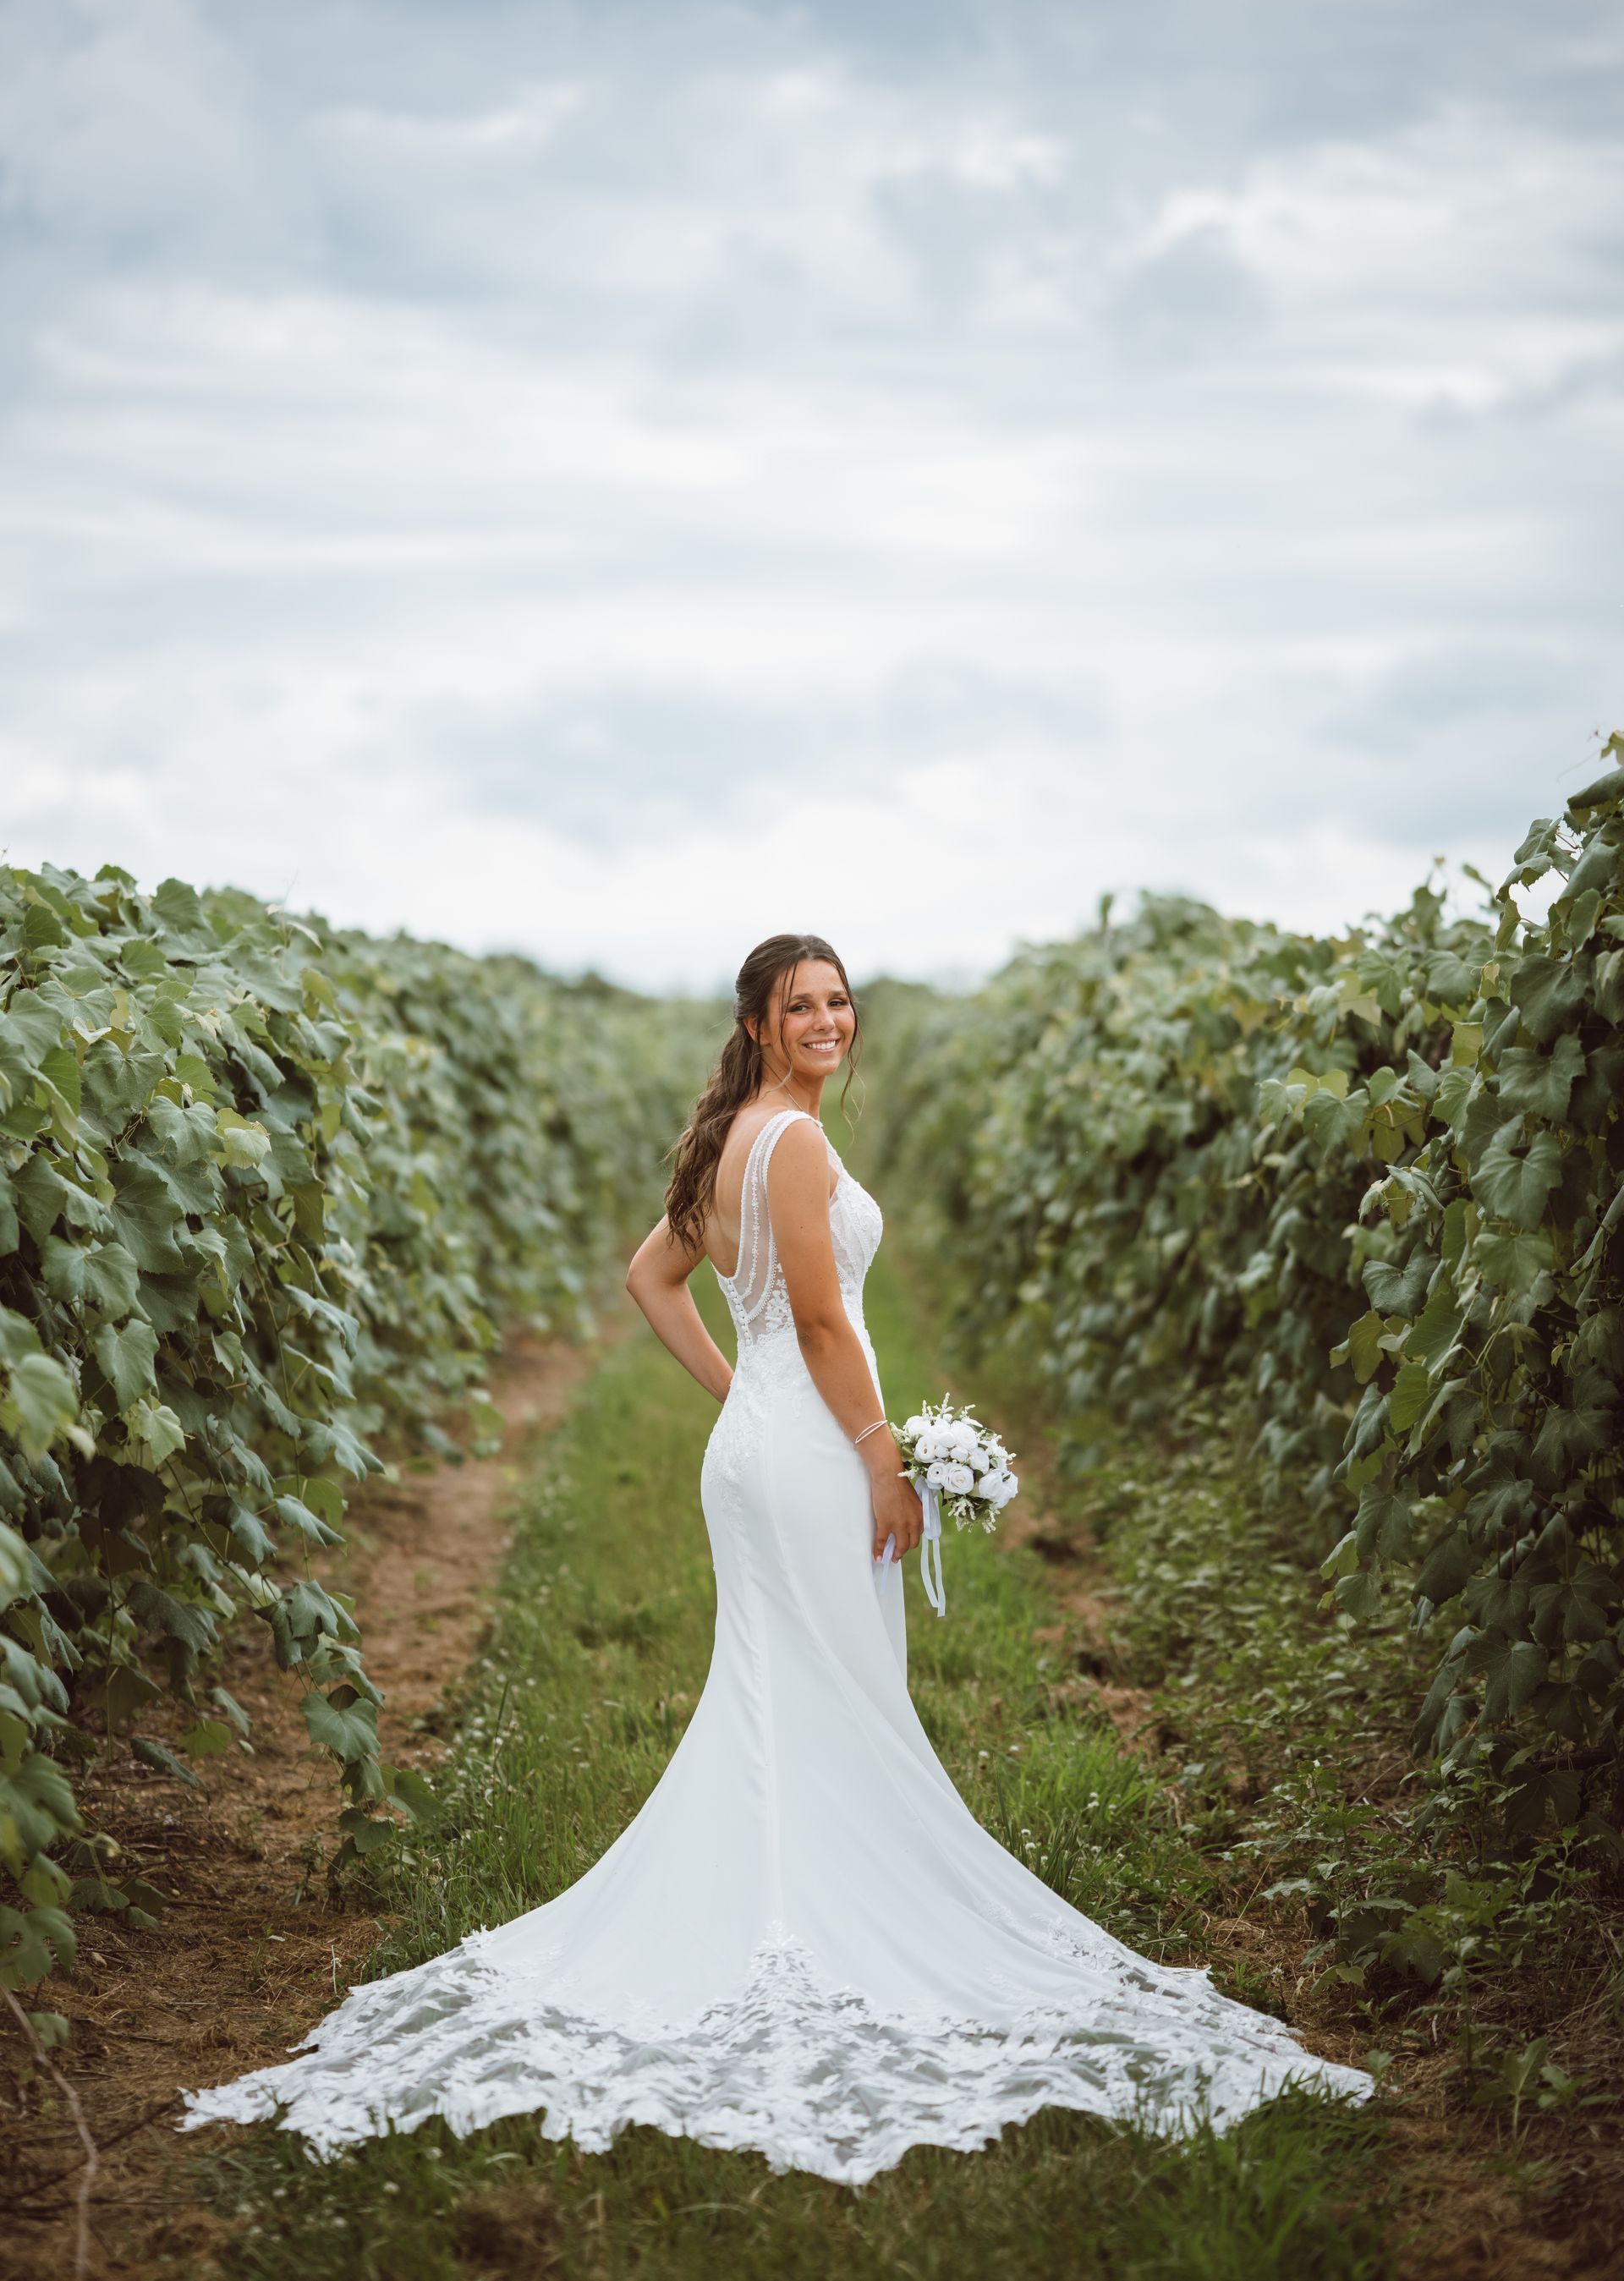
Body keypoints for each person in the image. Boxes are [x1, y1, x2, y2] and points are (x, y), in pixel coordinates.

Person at [182, 933, 1372, 2180]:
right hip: (806, 1453)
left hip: (757, 1447)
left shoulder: (733, 1134)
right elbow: (810, 1318)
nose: (828, 1019)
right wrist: (880, 1452)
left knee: (779, 1693)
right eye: (801, 1004)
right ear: (757, 1022)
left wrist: (734, 1396)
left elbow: (653, 1279)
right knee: (839, 1689)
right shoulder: (792, 1142)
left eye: (839, 999)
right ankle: (819, 1931)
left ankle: (777, 1909)